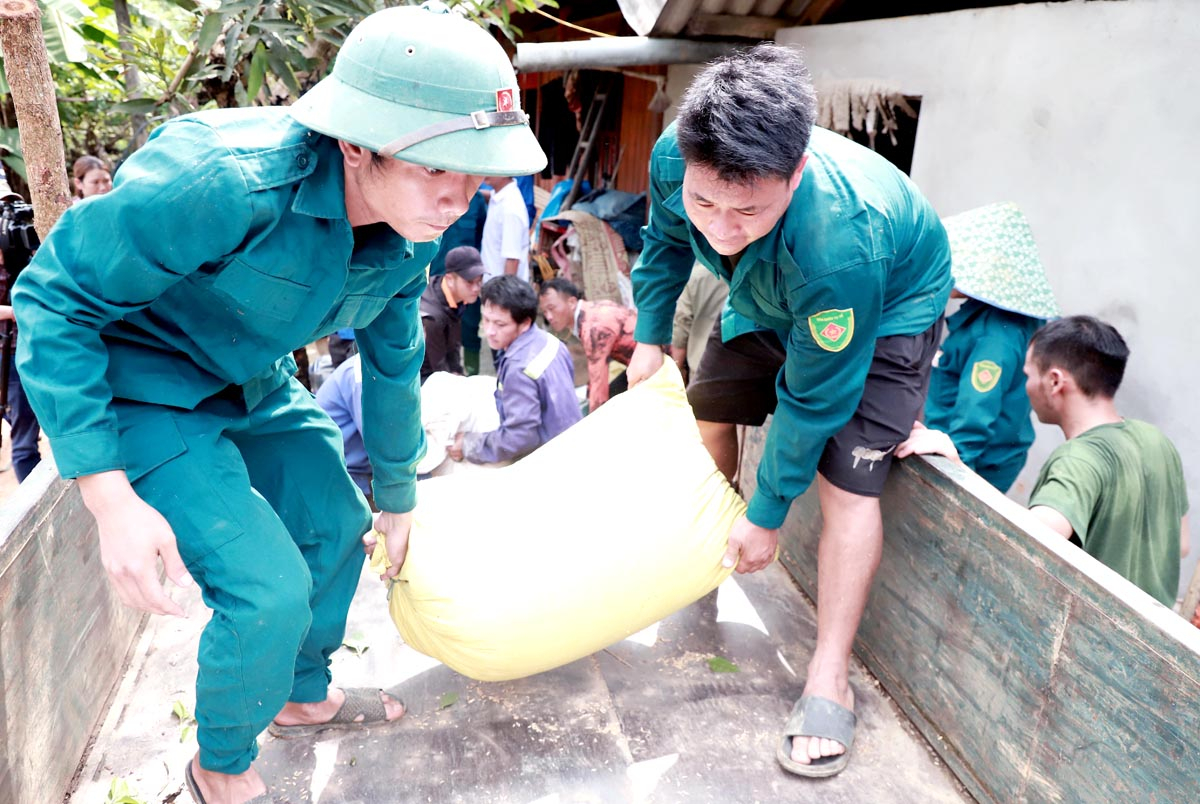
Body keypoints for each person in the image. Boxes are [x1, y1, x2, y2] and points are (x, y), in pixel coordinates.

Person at [11, 6, 545, 803]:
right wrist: (107, 494)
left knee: (339, 521)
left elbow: (394, 358)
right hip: (146, 385)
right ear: (358, 145)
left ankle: (301, 694)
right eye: (438, 169)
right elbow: (54, 299)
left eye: (474, 174)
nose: (456, 197)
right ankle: (219, 766)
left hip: (251, 376)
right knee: (265, 590)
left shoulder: (409, 228)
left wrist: (396, 491)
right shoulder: (222, 181)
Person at [624, 44, 952, 777]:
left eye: (748, 208)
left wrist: (770, 512)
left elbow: (815, 397)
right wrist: (651, 340)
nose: (721, 226)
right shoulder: (680, 162)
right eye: (707, 201)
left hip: (882, 307)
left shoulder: (842, 242)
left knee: (847, 478)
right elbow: (665, 243)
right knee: (708, 401)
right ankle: (707, 553)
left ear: (796, 174)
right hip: (768, 287)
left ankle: (828, 674)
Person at [899, 316, 1190, 608]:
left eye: (1028, 375)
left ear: (1054, 381)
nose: (1026, 386)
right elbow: (1181, 544)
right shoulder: (1157, 441)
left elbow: (1030, 539)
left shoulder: (1077, 459)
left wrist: (958, 469)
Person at [924, 202, 1059, 492]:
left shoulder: (995, 339)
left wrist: (953, 475)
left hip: (974, 464)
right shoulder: (991, 317)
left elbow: (975, 415)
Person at [449, 276, 580, 464]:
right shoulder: (551, 342)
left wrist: (469, 445)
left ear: (525, 323)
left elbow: (520, 437)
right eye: (486, 320)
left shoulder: (519, 368)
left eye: (500, 324)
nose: (490, 331)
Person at [538, 277, 637, 412]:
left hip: (658, 364)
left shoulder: (592, 328)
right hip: (644, 359)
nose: (549, 317)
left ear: (572, 302)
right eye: (544, 312)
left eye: (552, 308)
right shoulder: (592, 310)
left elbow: (598, 386)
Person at [420, 245, 485, 382]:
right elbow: (440, 371)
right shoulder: (433, 318)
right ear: (450, 279)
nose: (476, 288)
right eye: (469, 282)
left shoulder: (449, 290)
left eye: (479, 281)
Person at [670, 262, 728, 385]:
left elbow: (681, 331)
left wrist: (678, 370)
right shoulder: (759, 272)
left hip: (701, 369)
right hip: (745, 370)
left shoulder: (695, 276)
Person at [481, 175, 531, 282]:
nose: (485, 172)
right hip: (491, 286)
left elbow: (512, 260)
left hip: (499, 291)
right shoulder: (500, 196)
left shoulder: (511, 210)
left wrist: (503, 295)